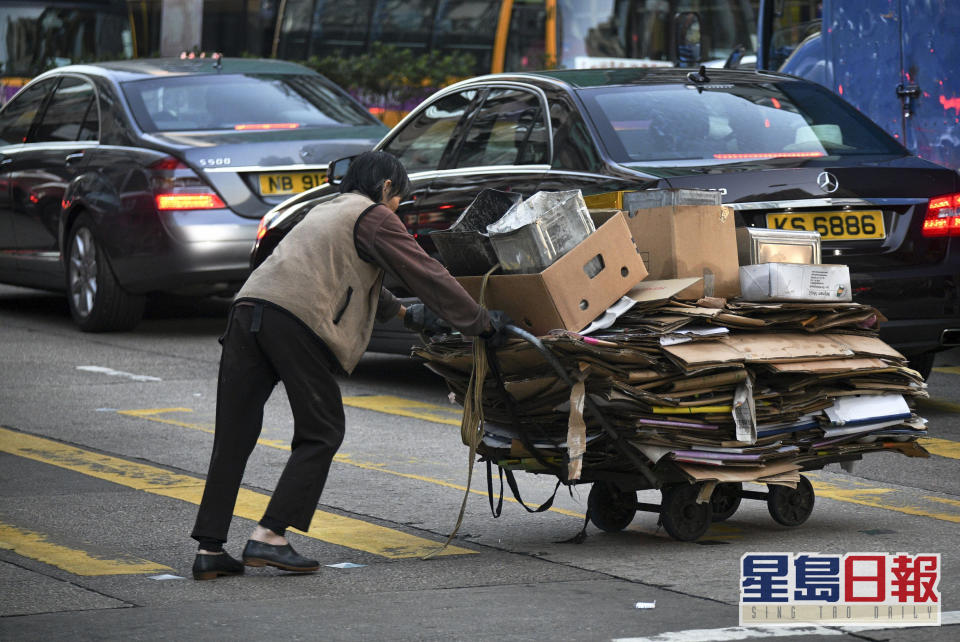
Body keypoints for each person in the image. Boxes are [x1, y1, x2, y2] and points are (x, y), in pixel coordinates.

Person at [190, 151, 509, 580]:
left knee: (234, 435)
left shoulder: (326, 210)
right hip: (293, 320)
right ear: (386, 188)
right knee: (322, 429)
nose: (397, 209)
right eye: (400, 199)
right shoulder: (374, 214)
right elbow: (425, 273)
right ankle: (269, 537)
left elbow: (342, 275)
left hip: (247, 313)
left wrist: (406, 316)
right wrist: (481, 324)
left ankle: (209, 550)